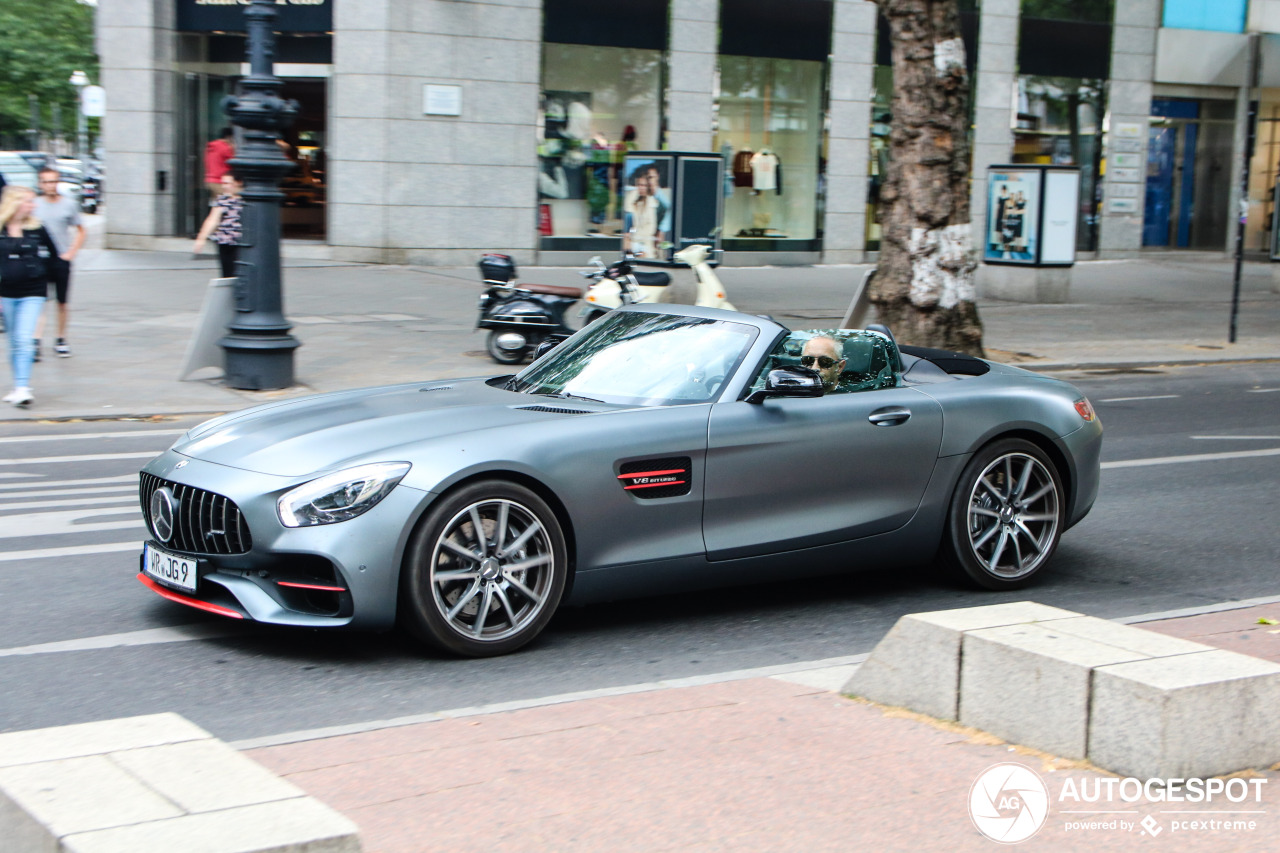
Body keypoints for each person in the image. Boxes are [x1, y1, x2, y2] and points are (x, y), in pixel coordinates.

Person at [0, 186, 56, 407]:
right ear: (14, 203)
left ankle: (24, 387)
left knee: (24, 337)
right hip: (6, 292)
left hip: (33, 291)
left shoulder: (36, 228)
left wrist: (48, 275)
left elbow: (53, 254)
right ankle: (17, 386)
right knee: (14, 340)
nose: (32, 206)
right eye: (28, 201)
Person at [33, 167, 86, 359]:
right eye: (46, 182)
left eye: (53, 181)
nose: (50, 185)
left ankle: (61, 339)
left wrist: (70, 253)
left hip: (61, 259)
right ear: (40, 184)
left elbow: (81, 230)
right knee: (39, 301)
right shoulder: (34, 205)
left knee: (62, 302)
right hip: (39, 259)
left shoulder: (68, 205)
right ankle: (36, 340)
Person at [193, 173, 244, 278]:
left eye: (227, 183)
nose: (224, 186)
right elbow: (212, 219)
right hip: (225, 242)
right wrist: (201, 238)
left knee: (241, 273)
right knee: (227, 274)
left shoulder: (247, 199)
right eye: (223, 183)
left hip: (242, 243)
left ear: (238, 183)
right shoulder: (222, 200)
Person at [203, 128, 235, 198]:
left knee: (217, 204)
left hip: (209, 180)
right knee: (233, 198)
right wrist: (233, 149)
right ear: (229, 137)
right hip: (220, 181)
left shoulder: (211, 147)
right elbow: (233, 163)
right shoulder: (224, 148)